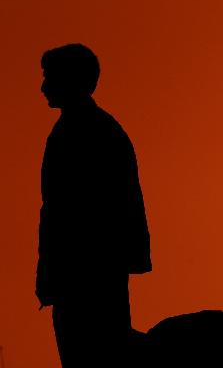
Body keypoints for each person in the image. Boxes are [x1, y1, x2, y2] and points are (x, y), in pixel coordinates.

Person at [36, 43, 151, 367]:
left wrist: (54, 272)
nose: (43, 87)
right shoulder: (87, 129)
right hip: (87, 272)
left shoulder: (87, 132)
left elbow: (68, 213)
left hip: (88, 274)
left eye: (50, 77)